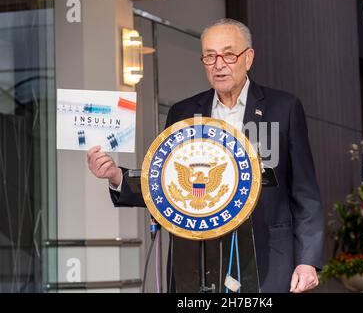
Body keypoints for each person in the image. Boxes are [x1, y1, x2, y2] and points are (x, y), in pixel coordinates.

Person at [87, 18, 324, 293]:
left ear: (248, 58)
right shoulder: (183, 113)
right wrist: (116, 176)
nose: (218, 64)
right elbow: (165, 185)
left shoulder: (283, 108)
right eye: (210, 56)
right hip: (197, 261)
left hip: (266, 258)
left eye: (228, 54)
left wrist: (307, 261)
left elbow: (305, 193)